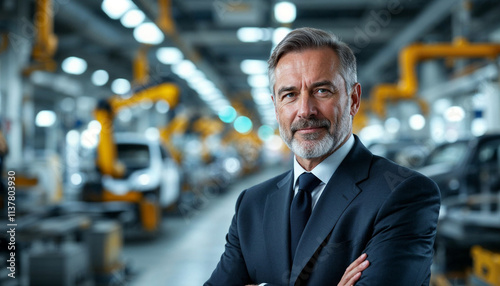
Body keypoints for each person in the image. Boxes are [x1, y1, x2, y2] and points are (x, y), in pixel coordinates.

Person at [205, 27, 440, 286]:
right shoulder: (252, 204)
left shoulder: (403, 193)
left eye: (321, 91)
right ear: (276, 107)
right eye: (290, 95)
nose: (305, 110)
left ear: (353, 99)